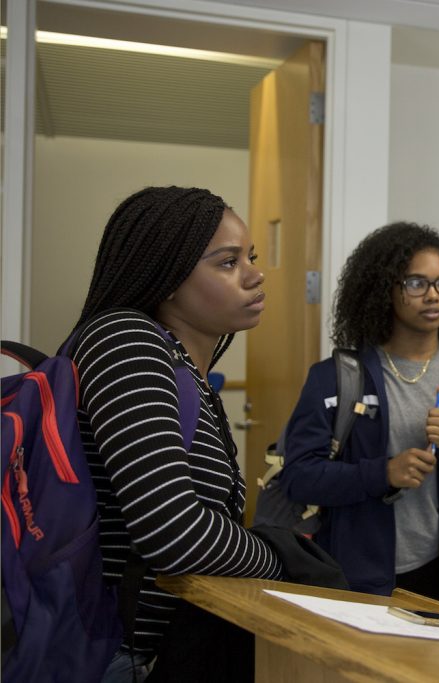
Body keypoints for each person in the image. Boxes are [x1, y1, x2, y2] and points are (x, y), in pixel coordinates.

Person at [71, 186, 282, 682]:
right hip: (117, 659)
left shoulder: (182, 368)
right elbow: (175, 533)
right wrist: (279, 558)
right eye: (227, 263)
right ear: (166, 278)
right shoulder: (126, 340)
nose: (255, 274)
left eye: (249, 257)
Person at [279, 221, 439, 603]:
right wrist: (383, 473)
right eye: (416, 283)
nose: (433, 296)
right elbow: (298, 478)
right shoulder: (335, 378)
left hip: (438, 577)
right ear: (385, 288)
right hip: (353, 578)